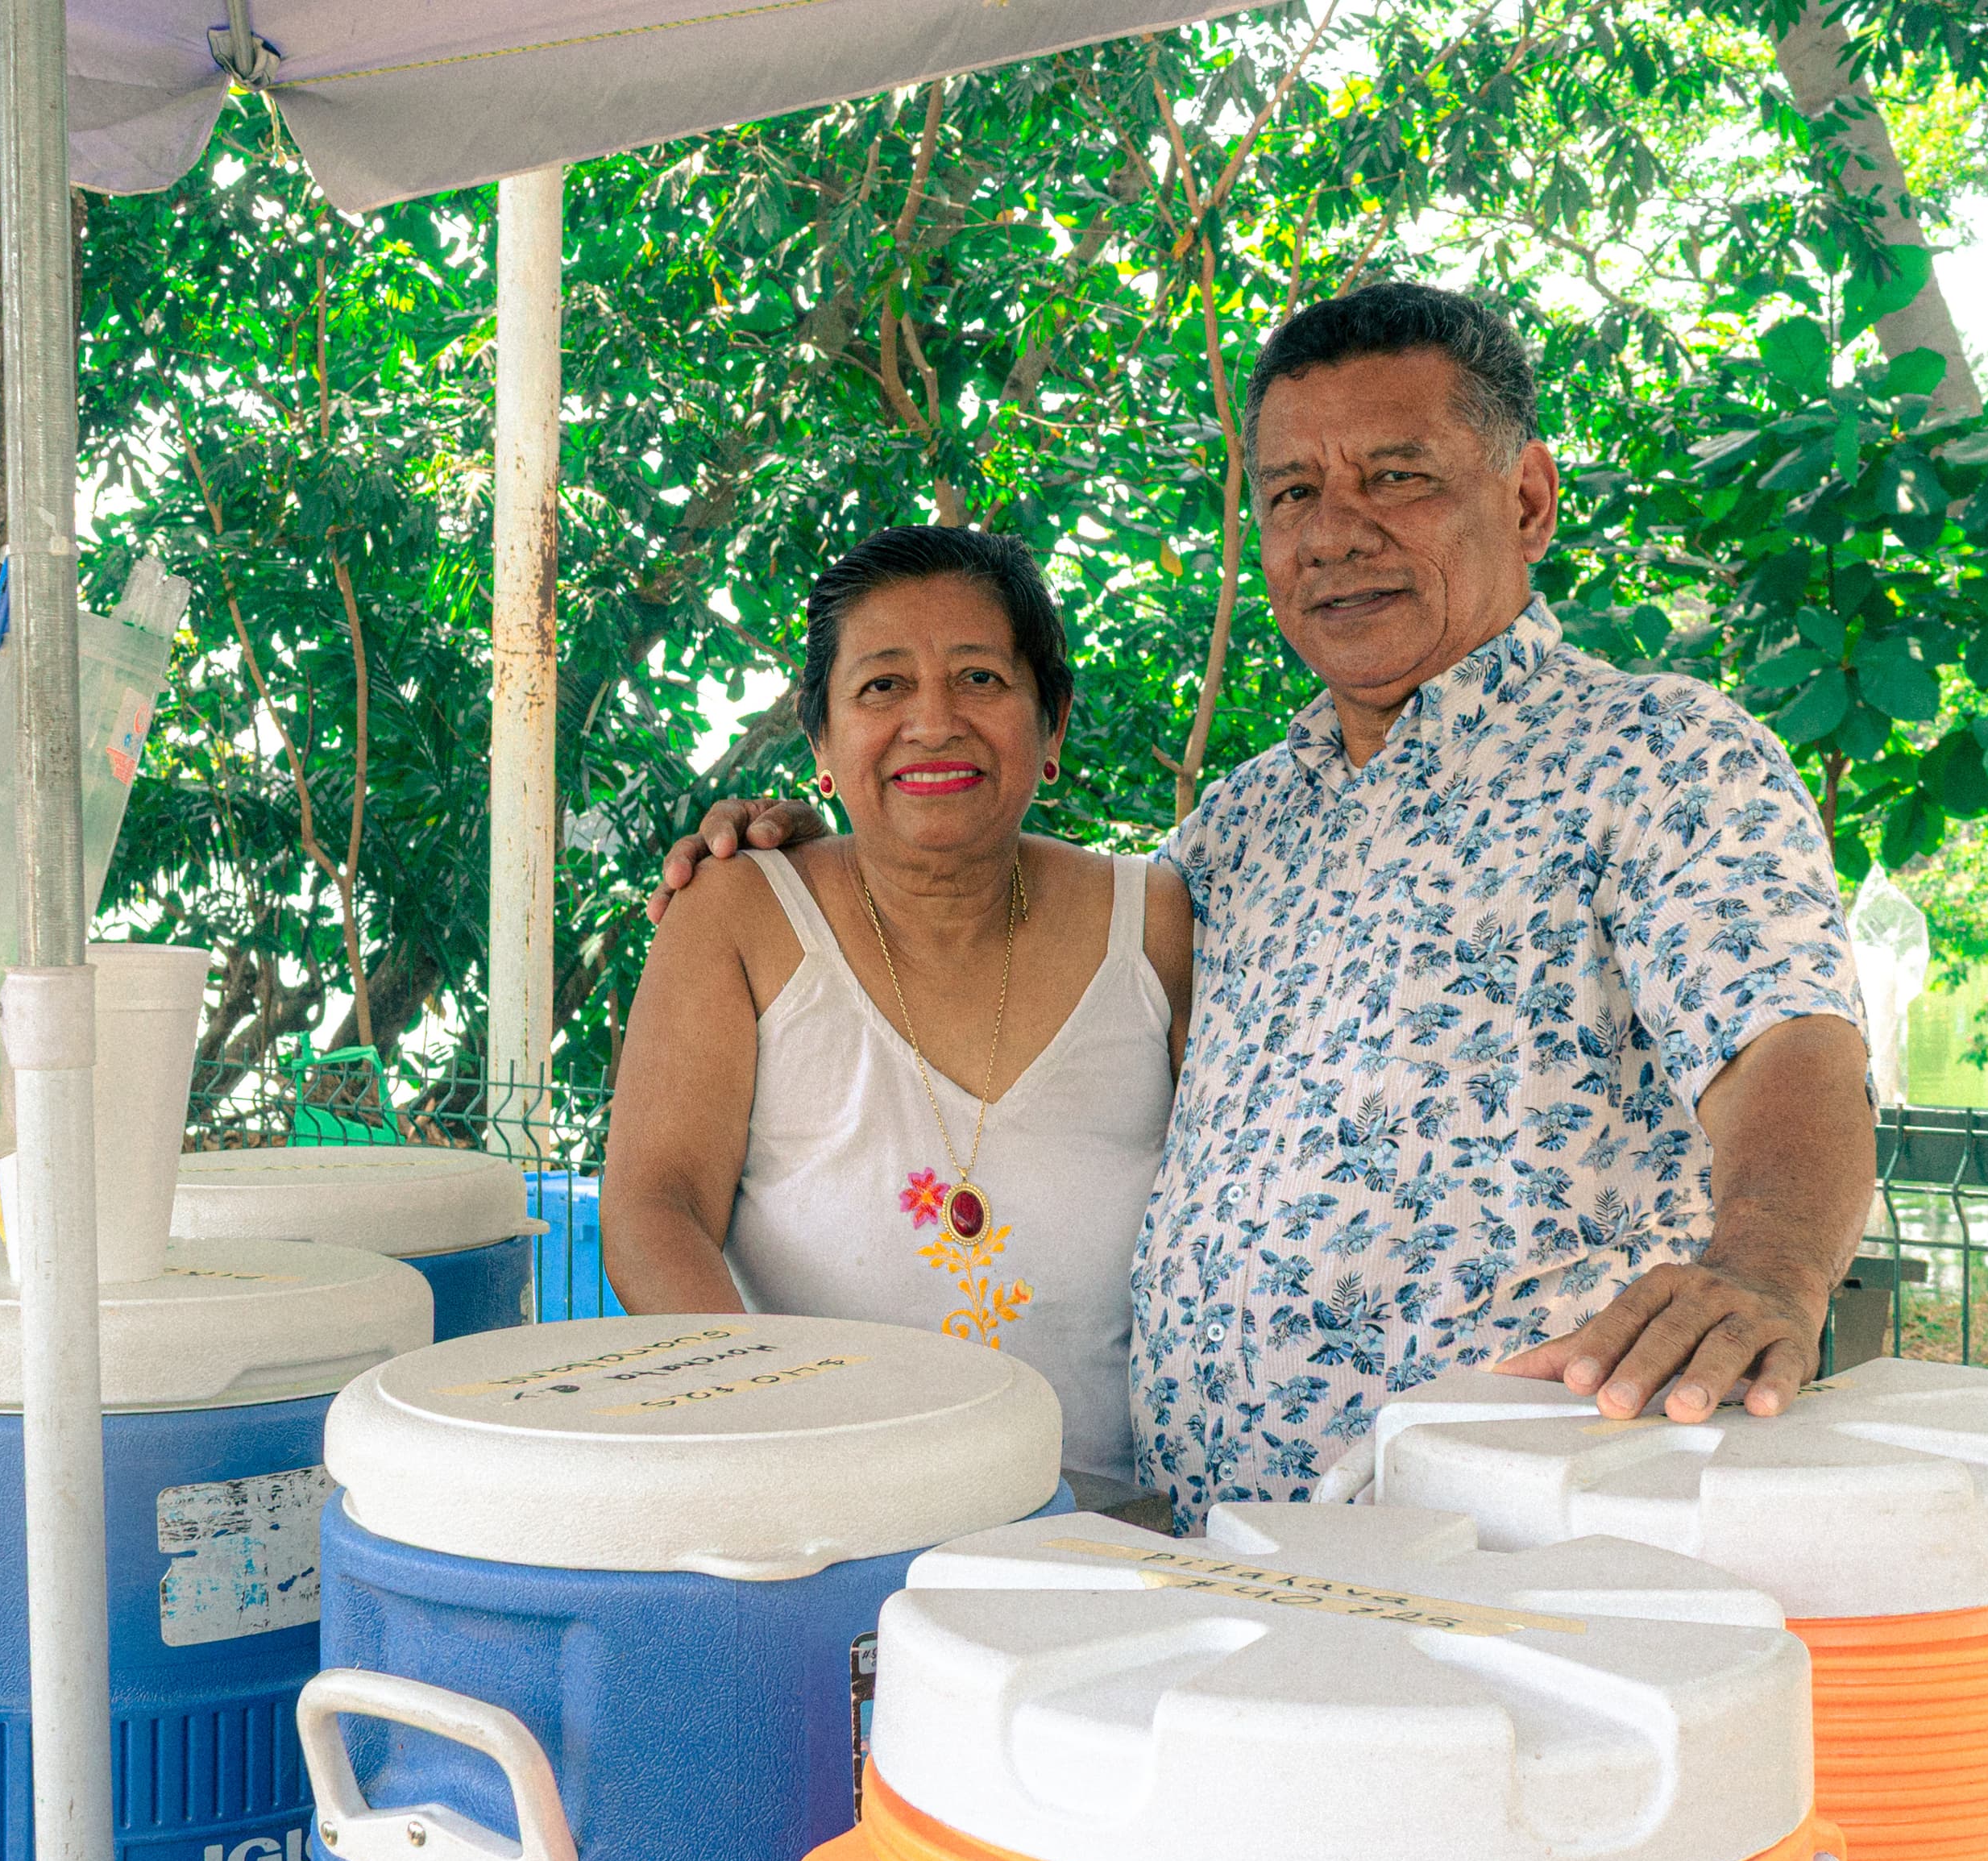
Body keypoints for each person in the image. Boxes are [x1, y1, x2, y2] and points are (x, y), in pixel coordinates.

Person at [650, 284, 1876, 1525]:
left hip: (1511, 1544)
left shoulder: (1658, 757)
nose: (1333, 534)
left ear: (1529, 501)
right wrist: (821, 850)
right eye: (1292, 493)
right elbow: (995, 913)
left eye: (1396, 478)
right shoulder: (1242, 829)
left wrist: (1769, 1268)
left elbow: (1786, 1046)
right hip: (1217, 1569)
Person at [603, 525, 1193, 1484]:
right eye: (883, 686)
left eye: (980, 679)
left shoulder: (1158, 923)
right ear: (822, 743)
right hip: (829, 1528)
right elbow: (651, 1207)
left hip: (1112, 1541)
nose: (933, 722)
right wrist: (776, 1433)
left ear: (1052, 725)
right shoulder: (740, 913)